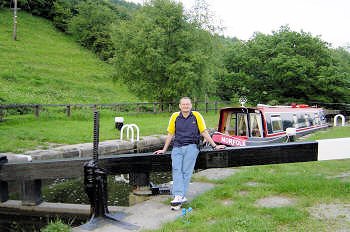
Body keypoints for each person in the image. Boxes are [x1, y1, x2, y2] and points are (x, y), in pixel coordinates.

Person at [154, 97, 225, 209]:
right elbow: (170, 134)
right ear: (180, 106)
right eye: (183, 104)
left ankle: (178, 197)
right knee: (176, 169)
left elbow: (204, 132)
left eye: (187, 104)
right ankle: (180, 196)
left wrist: (215, 146)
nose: (185, 106)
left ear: (191, 105)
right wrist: (164, 149)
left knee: (186, 171)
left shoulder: (196, 116)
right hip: (177, 147)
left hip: (192, 147)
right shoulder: (175, 116)